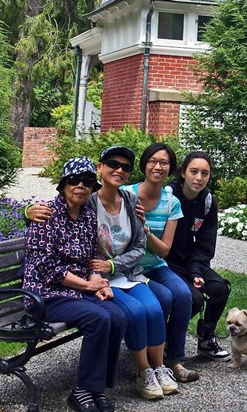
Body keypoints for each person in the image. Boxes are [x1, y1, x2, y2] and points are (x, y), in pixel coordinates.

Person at [23, 156, 127, 412]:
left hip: (74, 289)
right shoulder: (46, 215)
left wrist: (97, 281)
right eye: (74, 180)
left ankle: (97, 388)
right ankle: (81, 391)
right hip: (45, 294)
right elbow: (48, 269)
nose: (80, 185)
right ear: (63, 184)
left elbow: (90, 257)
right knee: (98, 318)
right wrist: (87, 286)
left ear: (93, 186)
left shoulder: (88, 218)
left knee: (118, 316)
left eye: (88, 181)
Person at [89, 145, 178, 400]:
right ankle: (144, 371)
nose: (119, 170)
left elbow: (140, 244)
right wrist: (30, 213)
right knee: (137, 311)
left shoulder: (129, 200)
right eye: (113, 164)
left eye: (125, 167)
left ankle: (160, 368)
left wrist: (115, 265)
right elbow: (60, 210)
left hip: (127, 273)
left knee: (154, 307)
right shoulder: (89, 201)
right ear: (100, 167)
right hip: (99, 278)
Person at [123, 143, 200, 383]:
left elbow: (164, 250)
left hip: (155, 265)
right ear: (144, 164)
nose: (158, 167)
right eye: (153, 161)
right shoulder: (126, 194)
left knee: (183, 294)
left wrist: (146, 231)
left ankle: (174, 360)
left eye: (164, 163)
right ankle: (145, 360)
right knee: (164, 297)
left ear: (171, 169)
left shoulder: (171, 202)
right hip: (128, 269)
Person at [166, 151, 232, 360]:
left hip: (191, 262)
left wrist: (196, 271)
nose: (199, 178)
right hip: (166, 261)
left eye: (205, 173)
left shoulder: (208, 201)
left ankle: (205, 340)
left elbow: (206, 244)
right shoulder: (168, 195)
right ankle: (165, 341)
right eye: (193, 171)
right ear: (183, 172)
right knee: (194, 299)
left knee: (220, 288)